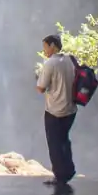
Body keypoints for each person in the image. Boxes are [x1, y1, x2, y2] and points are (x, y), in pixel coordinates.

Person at [37, 33, 77, 186]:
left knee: (54, 143)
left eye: (45, 47)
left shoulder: (50, 63)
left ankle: (60, 176)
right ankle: (69, 170)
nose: (44, 51)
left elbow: (41, 87)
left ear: (53, 46)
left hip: (54, 110)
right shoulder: (70, 60)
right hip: (70, 109)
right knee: (64, 140)